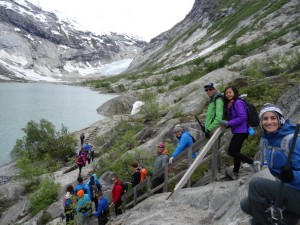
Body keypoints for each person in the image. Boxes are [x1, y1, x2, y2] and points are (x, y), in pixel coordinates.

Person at [240, 103, 300, 225]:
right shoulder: (270, 141)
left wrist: (293, 176)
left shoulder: (293, 140)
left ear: (280, 120)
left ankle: (260, 222)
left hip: (297, 193)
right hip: (287, 190)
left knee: (256, 184)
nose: (269, 122)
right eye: (265, 119)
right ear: (261, 122)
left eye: (273, 118)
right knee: (246, 204)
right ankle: (285, 219)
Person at [220, 86, 260, 180]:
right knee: (236, 152)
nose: (228, 94)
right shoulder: (232, 103)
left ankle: (253, 163)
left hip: (241, 131)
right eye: (226, 93)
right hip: (239, 130)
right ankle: (236, 172)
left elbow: (242, 117)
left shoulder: (238, 102)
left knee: (231, 151)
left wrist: (228, 123)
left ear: (235, 92)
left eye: (230, 92)